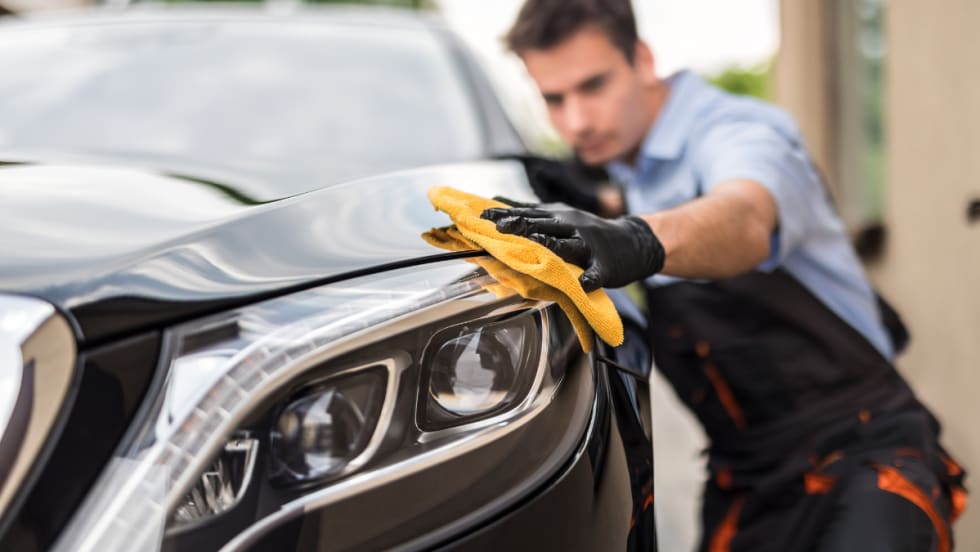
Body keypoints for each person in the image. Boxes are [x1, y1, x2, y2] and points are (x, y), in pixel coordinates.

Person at [483, 0, 967, 550]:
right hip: (747, 484)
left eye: (593, 86)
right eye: (554, 99)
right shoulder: (629, 167)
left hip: (864, 457)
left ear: (642, 59)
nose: (577, 121)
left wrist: (638, 238)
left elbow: (746, 215)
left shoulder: (738, 131)